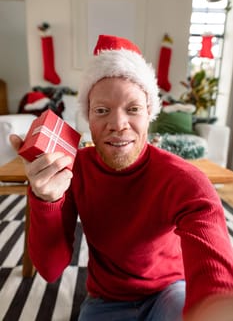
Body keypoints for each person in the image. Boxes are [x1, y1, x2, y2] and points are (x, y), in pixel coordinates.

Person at [10, 34, 233, 321]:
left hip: (169, 292)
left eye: (133, 109)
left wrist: (215, 307)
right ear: (87, 118)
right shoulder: (73, 170)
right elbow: (51, 270)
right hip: (105, 299)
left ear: (149, 113)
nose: (117, 124)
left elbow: (213, 264)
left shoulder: (184, 179)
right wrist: (45, 199)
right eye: (102, 110)